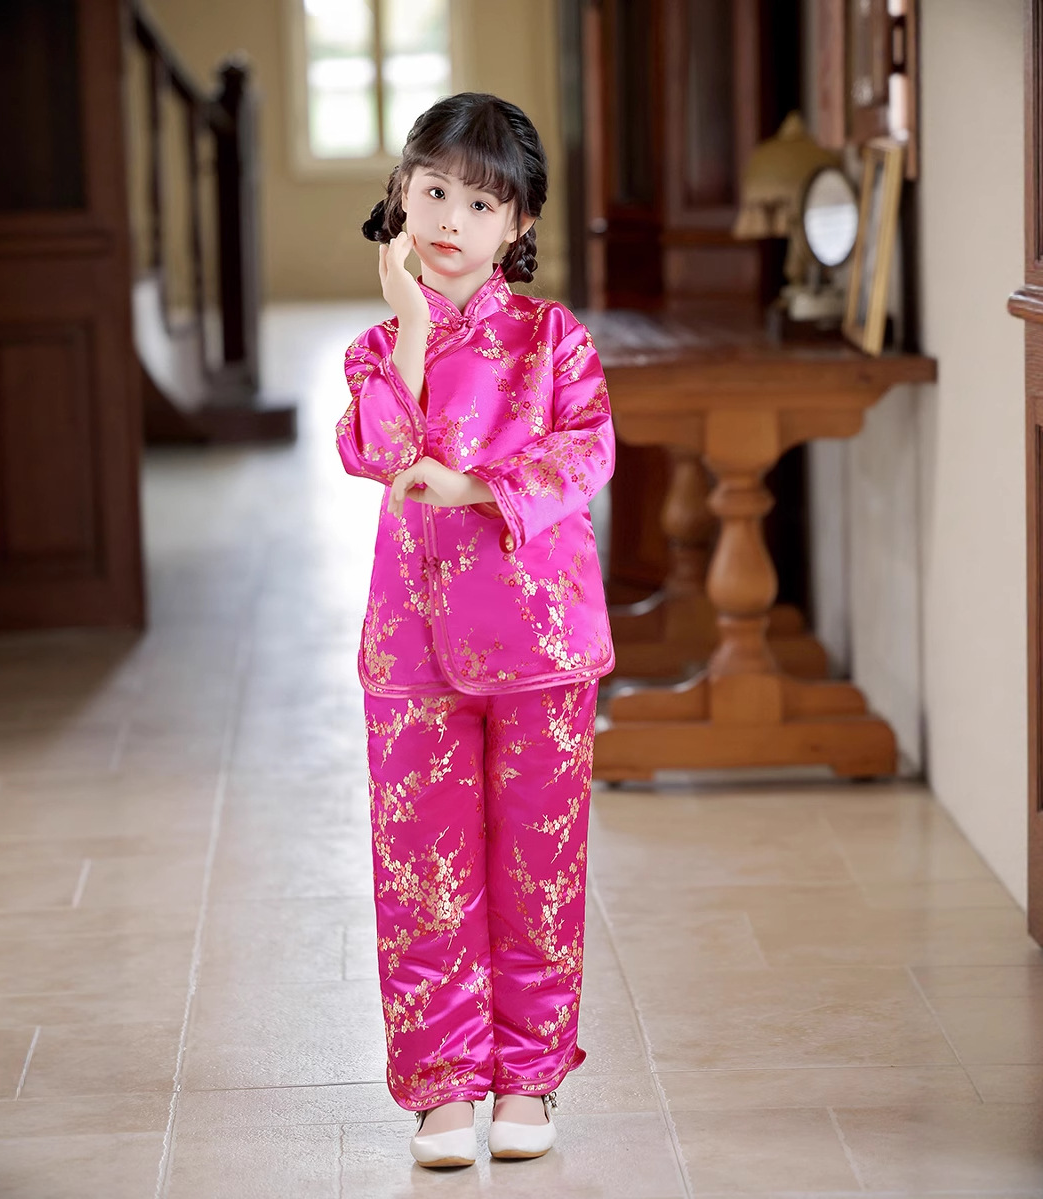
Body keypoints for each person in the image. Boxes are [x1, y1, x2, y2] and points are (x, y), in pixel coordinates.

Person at [336, 91, 615, 1170]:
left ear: (519, 224)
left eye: (482, 203)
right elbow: (373, 449)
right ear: (401, 196)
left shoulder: (555, 340)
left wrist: (472, 485)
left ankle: (528, 1073)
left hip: (543, 643)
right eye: (435, 190)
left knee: (539, 866)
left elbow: (584, 452)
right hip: (413, 647)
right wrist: (411, 322)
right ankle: (442, 1087)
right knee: (422, 870)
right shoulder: (375, 347)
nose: (452, 219)